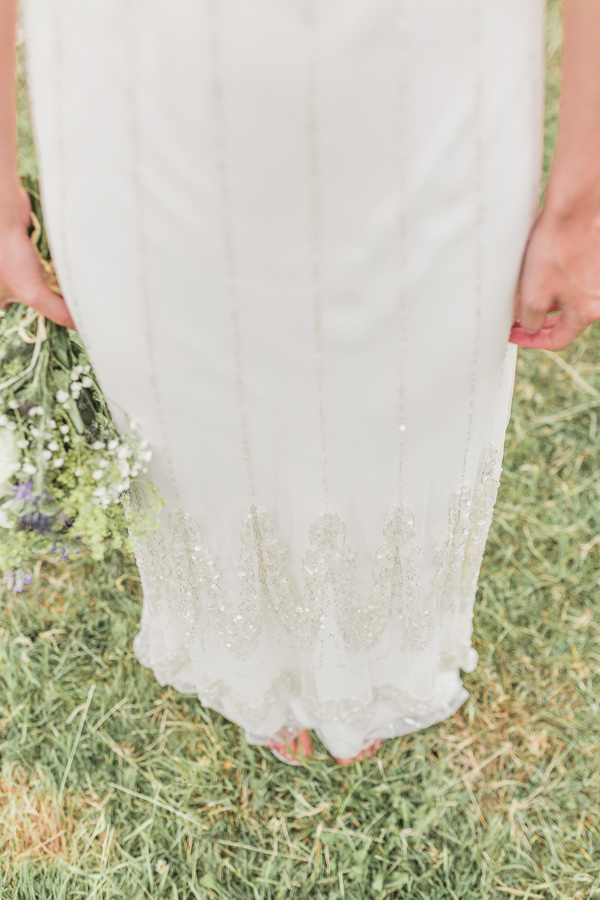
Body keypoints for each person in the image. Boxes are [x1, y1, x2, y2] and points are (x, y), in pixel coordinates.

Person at [0, 0, 598, 767]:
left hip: (419, 75)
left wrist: (581, 206)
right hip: (140, 81)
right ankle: (242, 646)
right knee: (194, 366)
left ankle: (377, 651)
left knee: (399, 368)